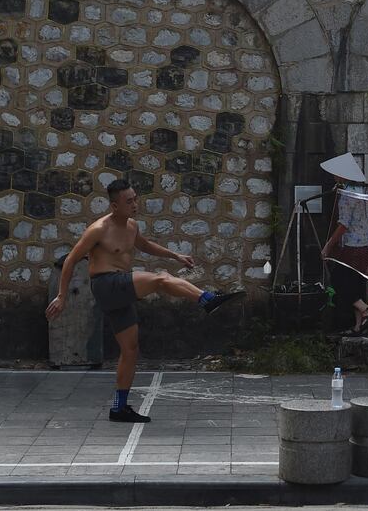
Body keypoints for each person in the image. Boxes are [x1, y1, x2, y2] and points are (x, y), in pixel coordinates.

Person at [45, 179, 244, 423]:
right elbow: (71, 260)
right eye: (128, 201)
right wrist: (62, 296)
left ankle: (119, 408)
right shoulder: (98, 229)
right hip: (107, 284)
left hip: (120, 291)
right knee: (161, 278)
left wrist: (176, 255)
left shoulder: (132, 226)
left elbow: (145, 245)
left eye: (135, 199)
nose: (134, 204)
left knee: (130, 350)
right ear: (114, 205)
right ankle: (206, 299)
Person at [320, 153, 368, 336]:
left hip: (353, 245)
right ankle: (358, 326)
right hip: (367, 243)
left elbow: (343, 225)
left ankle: (365, 309)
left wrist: (328, 245)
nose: (335, 177)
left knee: (339, 281)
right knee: (355, 283)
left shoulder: (346, 196)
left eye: (337, 174)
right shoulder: (360, 191)